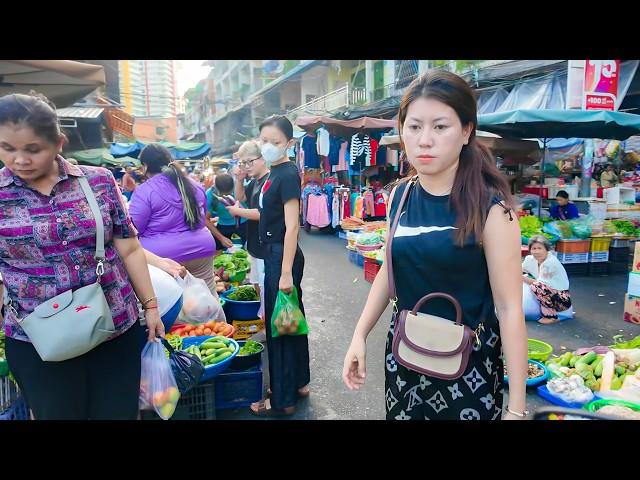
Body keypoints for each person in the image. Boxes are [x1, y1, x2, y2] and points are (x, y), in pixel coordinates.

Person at [342, 70, 529, 420]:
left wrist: (516, 408)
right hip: (405, 361)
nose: (424, 140)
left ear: (466, 131)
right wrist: (359, 335)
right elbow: (388, 269)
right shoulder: (400, 195)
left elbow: (509, 310)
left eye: (440, 127)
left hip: (468, 372)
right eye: (414, 127)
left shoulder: (491, 211)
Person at [0, 92, 163, 420]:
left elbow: (128, 246)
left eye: (33, 149)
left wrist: (151, 307)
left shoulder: (99, 181)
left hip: (114, 326)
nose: (19, 160)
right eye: (7, 148)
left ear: (59, 143)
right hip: (36, 339)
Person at [249, 115, 309, 417]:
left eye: (275, 142)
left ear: (288, 143)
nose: (269, 146)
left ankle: (283, 397)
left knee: (280, 327)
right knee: (291, 318)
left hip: (280, 256)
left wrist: (285, 272)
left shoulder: (286, 174)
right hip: (277, 254)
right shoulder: (272, 173)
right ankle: (298, 382)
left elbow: (292, 227)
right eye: (264, 141)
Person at [128, 144, 218, 294]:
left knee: (174, 305)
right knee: (207, 297)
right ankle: (216, 319)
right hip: (202, 250)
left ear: (145, 166)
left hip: (164, 258)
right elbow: (201, 221)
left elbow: (134, 228)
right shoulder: (194, 185)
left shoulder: (145, 191)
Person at [226, 140, 270, 318]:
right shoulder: (255, 181)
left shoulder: (269, 181)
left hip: (266, 245)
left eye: (249, 161)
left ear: (263, 158)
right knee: (258, 285)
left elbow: (264, 213)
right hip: (255, 245)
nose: (246, 166)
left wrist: (238, 211)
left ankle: (269, 327)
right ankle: (265, 322)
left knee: (267, 289)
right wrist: (239, 178)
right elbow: (240, 196)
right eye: (243, 163)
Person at [522, 235, 571, 325]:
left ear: (546, 249)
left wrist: (521, 277)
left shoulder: (550, 262)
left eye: (540, 248)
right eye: (534, 248)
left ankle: (551, 317)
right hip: (550, 293)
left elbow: (539, 283)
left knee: (537, 286)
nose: (536, 252)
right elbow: (520, 269)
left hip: (561, 300)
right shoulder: (530, 259)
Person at [206, 173, 248, 251]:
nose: (226, 197)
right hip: (223, 226)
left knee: (245, 251)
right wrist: (221, 238)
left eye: (229, 193)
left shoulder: (240, 189)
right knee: (220, 251)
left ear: (233, 187)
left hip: (243, 223)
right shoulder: (210, 195)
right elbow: (205, 219)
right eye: (223, 195)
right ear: (216, 189)